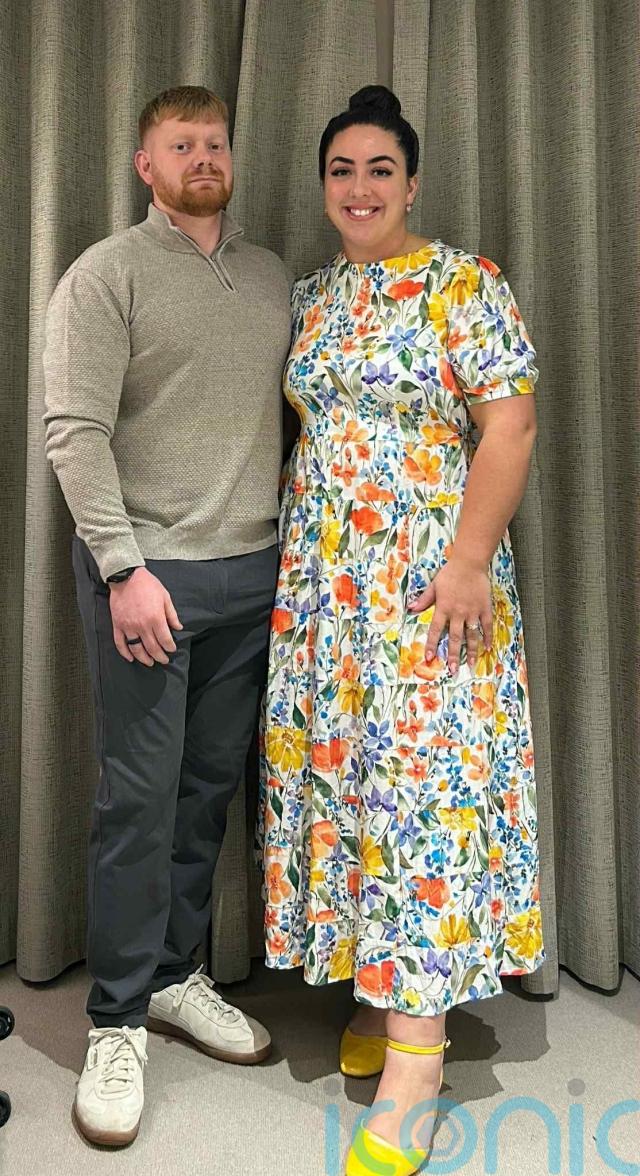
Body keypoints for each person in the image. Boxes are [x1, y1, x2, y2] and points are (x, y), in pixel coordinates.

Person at [258, 85, 545, 1175]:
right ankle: (380, 996)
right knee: (349, 788)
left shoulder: (464, 283)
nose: (360, 186)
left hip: (430, 589)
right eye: (342, 170)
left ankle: (418, 1067)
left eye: (380, 168)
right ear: (323, 187)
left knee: (423, 799)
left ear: (412, 183)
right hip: (324, 599)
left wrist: (467, 559)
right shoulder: (312, 295)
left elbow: (509, 424)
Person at [43, 85, 292, 1148]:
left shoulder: (272, 276)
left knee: (205, 795)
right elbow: (75, 432)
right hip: (147, 580)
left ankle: (177, 976)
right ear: (146, 165)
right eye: (181, 144)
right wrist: (122, 569)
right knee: (138, 804)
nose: (203, 157)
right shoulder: (106, 275)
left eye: (215, 142)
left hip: (253, 575)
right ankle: (115, 1019)